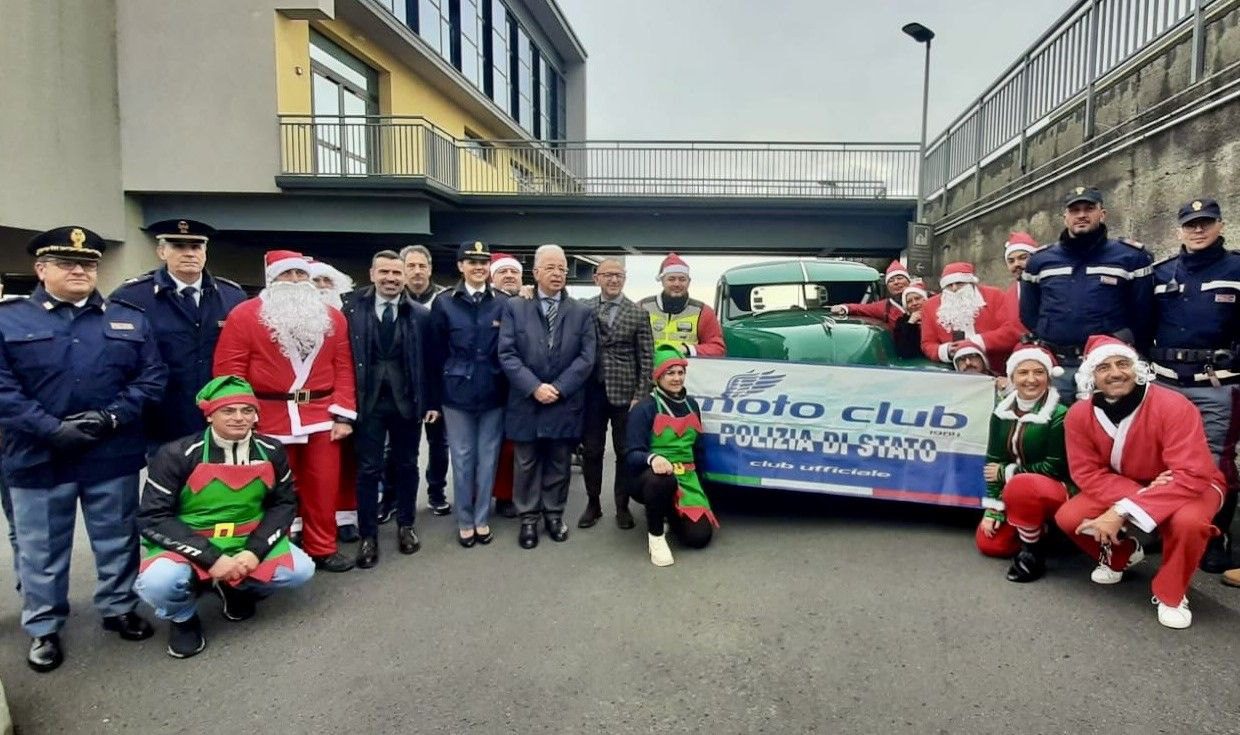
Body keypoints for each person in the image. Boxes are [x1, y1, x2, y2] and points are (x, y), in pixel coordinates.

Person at [0, 226, 167, 672]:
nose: (80, 270)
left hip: (109, 451)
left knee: (116, 538)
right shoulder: (9, 319)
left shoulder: (127, 318)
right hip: (37, 455)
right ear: (40, 269)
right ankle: (44, 628)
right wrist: (51, 429)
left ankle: (119, 607)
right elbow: (3, 390)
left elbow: (151, 379)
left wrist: (110, 417)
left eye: (88, 264)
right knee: (41, 549)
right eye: (67, 263)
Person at [134, 376, 314, 658]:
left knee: (300, 570)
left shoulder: (272, 450)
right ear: (210, 415)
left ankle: (234, 586)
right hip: (190, 543)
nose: (239, 418)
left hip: (245, 540)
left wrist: (255, 552)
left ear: (256, 416)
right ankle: (182, 617)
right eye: (228, 411)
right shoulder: (176, 454)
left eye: (247, 410)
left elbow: (284, 504)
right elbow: (152, 517)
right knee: (160, 582)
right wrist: (211, 558)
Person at [1056, 335, 1224, 629]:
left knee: (1189, 523)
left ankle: (1172, 592)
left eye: (1123, 364)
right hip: (1131, 484)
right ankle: (1122, 553)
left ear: (1137, 368)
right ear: (1091, 376)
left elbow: (1192, 472)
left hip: (1192, 484)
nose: (1116, 372)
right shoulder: (1079, 414)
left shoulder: (1173, 405)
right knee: (1070, 517)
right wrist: (1138, 497)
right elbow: (1087, 473)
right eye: (1104, 367)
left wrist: (1120, 511)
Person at [213, 250, 358, 573]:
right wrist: (237, 415)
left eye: (300, 275)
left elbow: (344, 367)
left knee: (323, 485)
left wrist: (343, 414)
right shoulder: (245, 315)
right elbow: (229, 371)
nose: (294, 281)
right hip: (267, 415)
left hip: (321, 415)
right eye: (286, 274)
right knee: (273, 488)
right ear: (271, 278)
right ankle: (275, 548)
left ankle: (322, 547)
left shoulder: (332, 317)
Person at [1147, 198, 1240, 577]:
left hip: (1216, 384)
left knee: (1216, 459)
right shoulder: (1160, 273)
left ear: (1220, 225)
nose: (1197, 230)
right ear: (1179, 230)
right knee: (1161, 458)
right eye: (1190, 224)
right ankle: (1160, 521)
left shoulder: (1237, 268)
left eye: (1205, 223)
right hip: (1166, 382)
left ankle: (1214, 536)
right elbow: (1142, 324)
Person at [110, 219, 246, 451]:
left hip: (217, 419)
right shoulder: (132, 297)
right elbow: (118, 360)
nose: (189, 253)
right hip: (161, 422)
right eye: (179, 246)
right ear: (162, 251)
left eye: (196, 247)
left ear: (205, 251)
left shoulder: (232, 297)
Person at [498, 244, 597, 549]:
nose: (557, 274)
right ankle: (528, 518)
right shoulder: (515, 307)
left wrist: (559, 387)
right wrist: (534, 387)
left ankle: (554, 514)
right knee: (525, 462)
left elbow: (586, 357)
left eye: (562, 269)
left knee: (559, 461)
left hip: (564, 401)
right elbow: (507, 353)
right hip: (526, 400)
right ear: (536, 272)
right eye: (550, 268)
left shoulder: (581, 311)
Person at [341, 250, 433, 567]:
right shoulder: (352, 309)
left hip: (406, 402)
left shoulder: (420, 314)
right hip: (367, 403)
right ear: (372, 274)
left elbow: (431, 363)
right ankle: (368, 536)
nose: (391, 279)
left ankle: (406, 526)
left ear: (405, 276)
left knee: (406, 464)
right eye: (385, 273)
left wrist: (430, 402)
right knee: (368, 469)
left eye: (397, 273)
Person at [1020, 187, 1155, 400]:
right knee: (1055, 426)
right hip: (1057, 365)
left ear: (1102, 213)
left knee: (1105, 429)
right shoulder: (1039, 260)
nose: (1081, 215)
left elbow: (1143, 313)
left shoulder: (1131, 257)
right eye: (1074, 210)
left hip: (1107, 368)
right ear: (1065, 217)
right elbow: (1029, 314)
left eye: (1089, 208)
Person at [429, 241, 509, 547]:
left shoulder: (502, 302)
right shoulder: (444, 302)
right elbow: (435, 355)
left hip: (493, 388)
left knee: (488, 457)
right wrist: (434, 399)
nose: (478, 267)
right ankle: (464, 519)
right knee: (462, 457)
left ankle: (481, 518)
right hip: (456, 391)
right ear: (461, 266)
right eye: (471, 262)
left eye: (483, 262)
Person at [976, 345, 1075, 582]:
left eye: (1038, 372)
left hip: (1054, 489)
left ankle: (1035, 549)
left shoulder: (1060, 414)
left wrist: (1007, 472)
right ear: (1012, 377)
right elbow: (993, 461)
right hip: (1015, 493)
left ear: (1048, 377)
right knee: (991, 545)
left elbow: (1055, 467)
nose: (1031, 380)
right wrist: (994, 509)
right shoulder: (1001, 412)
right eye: (1023, 373)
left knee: (1024, 485)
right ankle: (1037, 531)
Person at [625, 344, 719, 566]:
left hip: (686, 478)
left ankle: (670, 512)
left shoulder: (692, 405)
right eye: (670, 373)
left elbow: (697, 450)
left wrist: (703, 489)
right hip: (651, 477)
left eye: (680, 372)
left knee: (699, 537)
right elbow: (630, 453)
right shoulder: (645, 408)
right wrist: (653, 459)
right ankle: (656, 536)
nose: (676, 378)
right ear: (658, 376)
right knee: (662, 480)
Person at [578, 258, 654, 530]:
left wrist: (641, 395)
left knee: (624, 451)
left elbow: (647, 358)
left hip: (626, 393)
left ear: (625, 279)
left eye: (618, 275)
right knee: (592, 450)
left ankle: (622, 506)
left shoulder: (638, 313)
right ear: (596, 278)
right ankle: (593, 502)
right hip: (591, 390)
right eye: (607, 275)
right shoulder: (583, 308)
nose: (613, 280)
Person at [307, 258, 360, 543]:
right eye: (316, 282)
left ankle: (345, 516)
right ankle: (302, 521)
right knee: (303, 471)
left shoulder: (348, 314)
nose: (323, 287)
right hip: (300, 406)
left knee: (346, 465)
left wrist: (345, 409)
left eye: (328, 282)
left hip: (343, 400)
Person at [397, 244, 451, 516]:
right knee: (399, 448)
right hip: (402, 388)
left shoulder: (443, 300)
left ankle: (437, 492)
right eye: (411, 266)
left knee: (439, 445)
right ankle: (395, 498)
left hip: (435, 387)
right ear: (402, 270)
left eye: (422, 266)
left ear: (430, 269)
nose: (417, 271)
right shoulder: (393, 298)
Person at [921, 262, 1023, 370]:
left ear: (971, 283)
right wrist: (946, 350)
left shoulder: (995, 296)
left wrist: (976, 342)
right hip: (952, 369)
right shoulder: (930, 306)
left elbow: (1010, 330)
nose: (954, 289)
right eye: (949, 285)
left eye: (959, 283)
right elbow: (928, 343)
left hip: (995, 366)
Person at [488, 251, 523, 518]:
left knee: (512, 447)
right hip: (489, 385)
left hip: (520, 386)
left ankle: (505, 495)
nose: (510, 276)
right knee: (485, 447)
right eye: (503, 272)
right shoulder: (485, 304)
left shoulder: (527, 303)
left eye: (514, 272)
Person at [636, 252, 725, 357]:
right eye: (671, 279)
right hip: (649, 370)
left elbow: (717, 349)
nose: (677, 284)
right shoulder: (642, 307)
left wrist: (688, 349)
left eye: (682, 279)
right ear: (662, 281)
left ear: (689, 281)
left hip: (687, 370)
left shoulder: (703, 311)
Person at [830, 260, 912, 329]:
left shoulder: (922, 299)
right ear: (887, 286)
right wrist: (844, 307)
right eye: (891, 280)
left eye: (900, 278)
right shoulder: (886, 306)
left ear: (908, 281)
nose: (896, 282)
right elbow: (862, 308)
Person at [892, 279, 928, 359]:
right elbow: (903, 351)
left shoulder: (936, 316)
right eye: (909, 301)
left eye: (917, 298)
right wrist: (911, 324)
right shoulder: (901, 322)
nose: (914, 303)